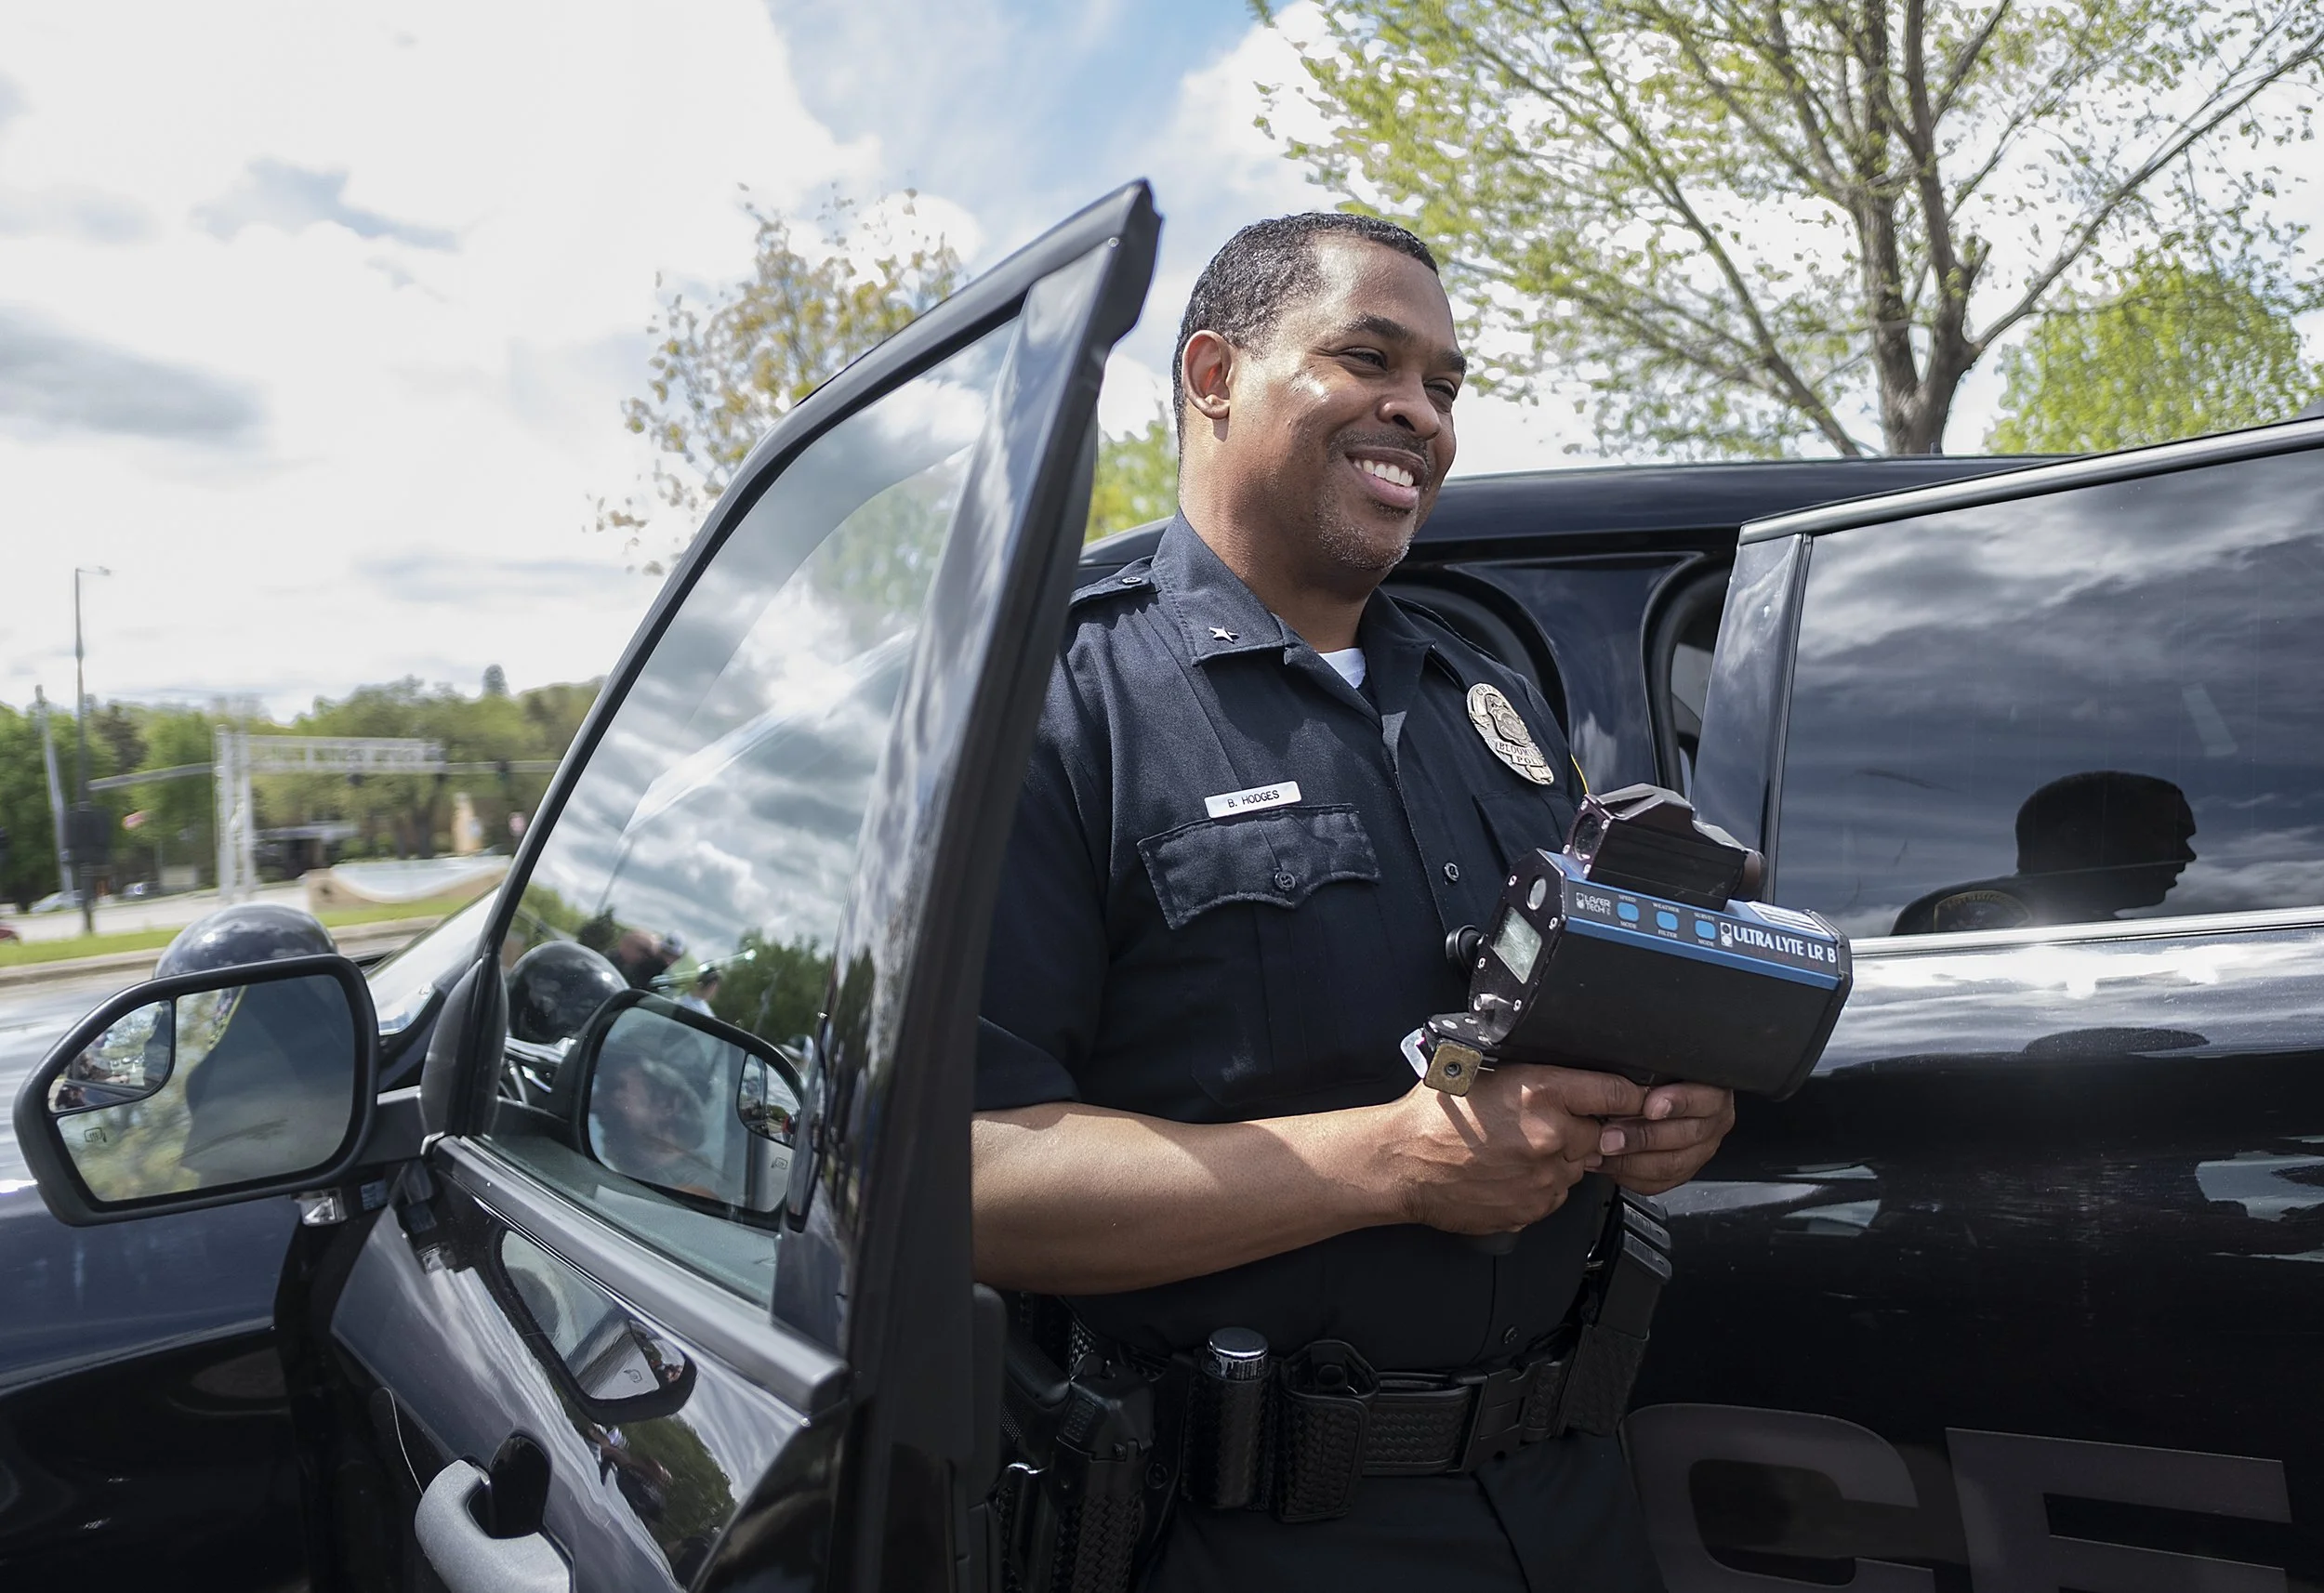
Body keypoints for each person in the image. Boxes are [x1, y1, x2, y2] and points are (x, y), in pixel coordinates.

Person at [971, 213, 1736, 1592]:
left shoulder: (1491, 700)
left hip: (1568, 1497)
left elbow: (1563, 1016)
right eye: (1369, 358)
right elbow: (973, 1176)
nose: (1419, 413)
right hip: (1246, 1530)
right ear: (1212, 373)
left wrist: (1657, 1112)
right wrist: (1385, 1161)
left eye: (1444, 383)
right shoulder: (1059, 705)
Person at [1891, 770, 2197, 935]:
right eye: (2166, 835)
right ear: (2079, 838)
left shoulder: (2097, 924)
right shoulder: (1989, 910)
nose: (2187, 855)